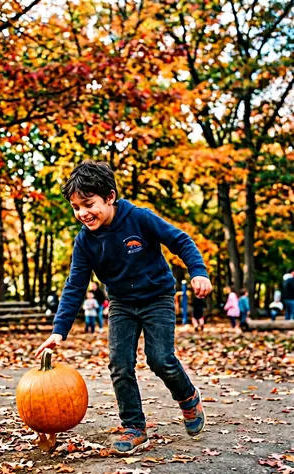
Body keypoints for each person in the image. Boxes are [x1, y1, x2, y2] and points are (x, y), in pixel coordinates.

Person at [35, 160, 212, 454]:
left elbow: (180, 240)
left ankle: (188, 398)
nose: (82, 213)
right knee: (119, 364)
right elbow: (75, 285)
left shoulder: (139, 219)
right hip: (121, 303)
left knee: (160, 359)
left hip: (157, 298)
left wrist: (198, 271)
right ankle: (134, 426)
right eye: (76, 207)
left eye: (88, 204)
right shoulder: (85, 242)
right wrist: (59, 331)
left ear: (109, 197)